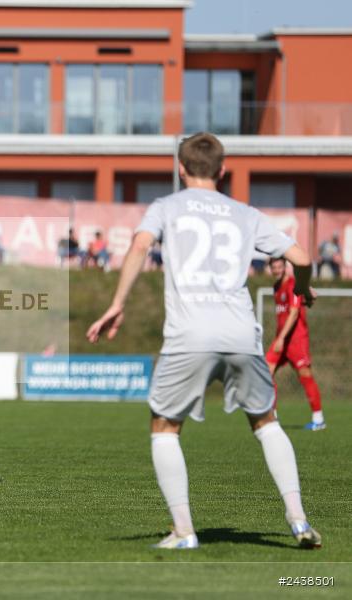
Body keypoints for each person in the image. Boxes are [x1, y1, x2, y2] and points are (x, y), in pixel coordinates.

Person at [86, 132, 321, 550]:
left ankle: (183, 531)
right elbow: (302, 258)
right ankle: (299, 521)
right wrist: (301, 288)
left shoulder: (166, 207)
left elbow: (140, 244)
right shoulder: (245, 213)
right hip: (240, 332)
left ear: (180, 169)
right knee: (266, 423)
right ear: (223, 170)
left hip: (190, 332)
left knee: (164, 427)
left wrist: (117, 303)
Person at [265, 257, 325, 431]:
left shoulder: (292, 284)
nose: (277, 269)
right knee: (265, 372)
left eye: (279, 266)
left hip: (295, 339)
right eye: (274, 267)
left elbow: (293, 312)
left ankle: (318, 418)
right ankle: (272, 417)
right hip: (281, 339)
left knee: (305, 374)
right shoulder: (276, 287)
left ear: (285, 267)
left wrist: (282, 338)